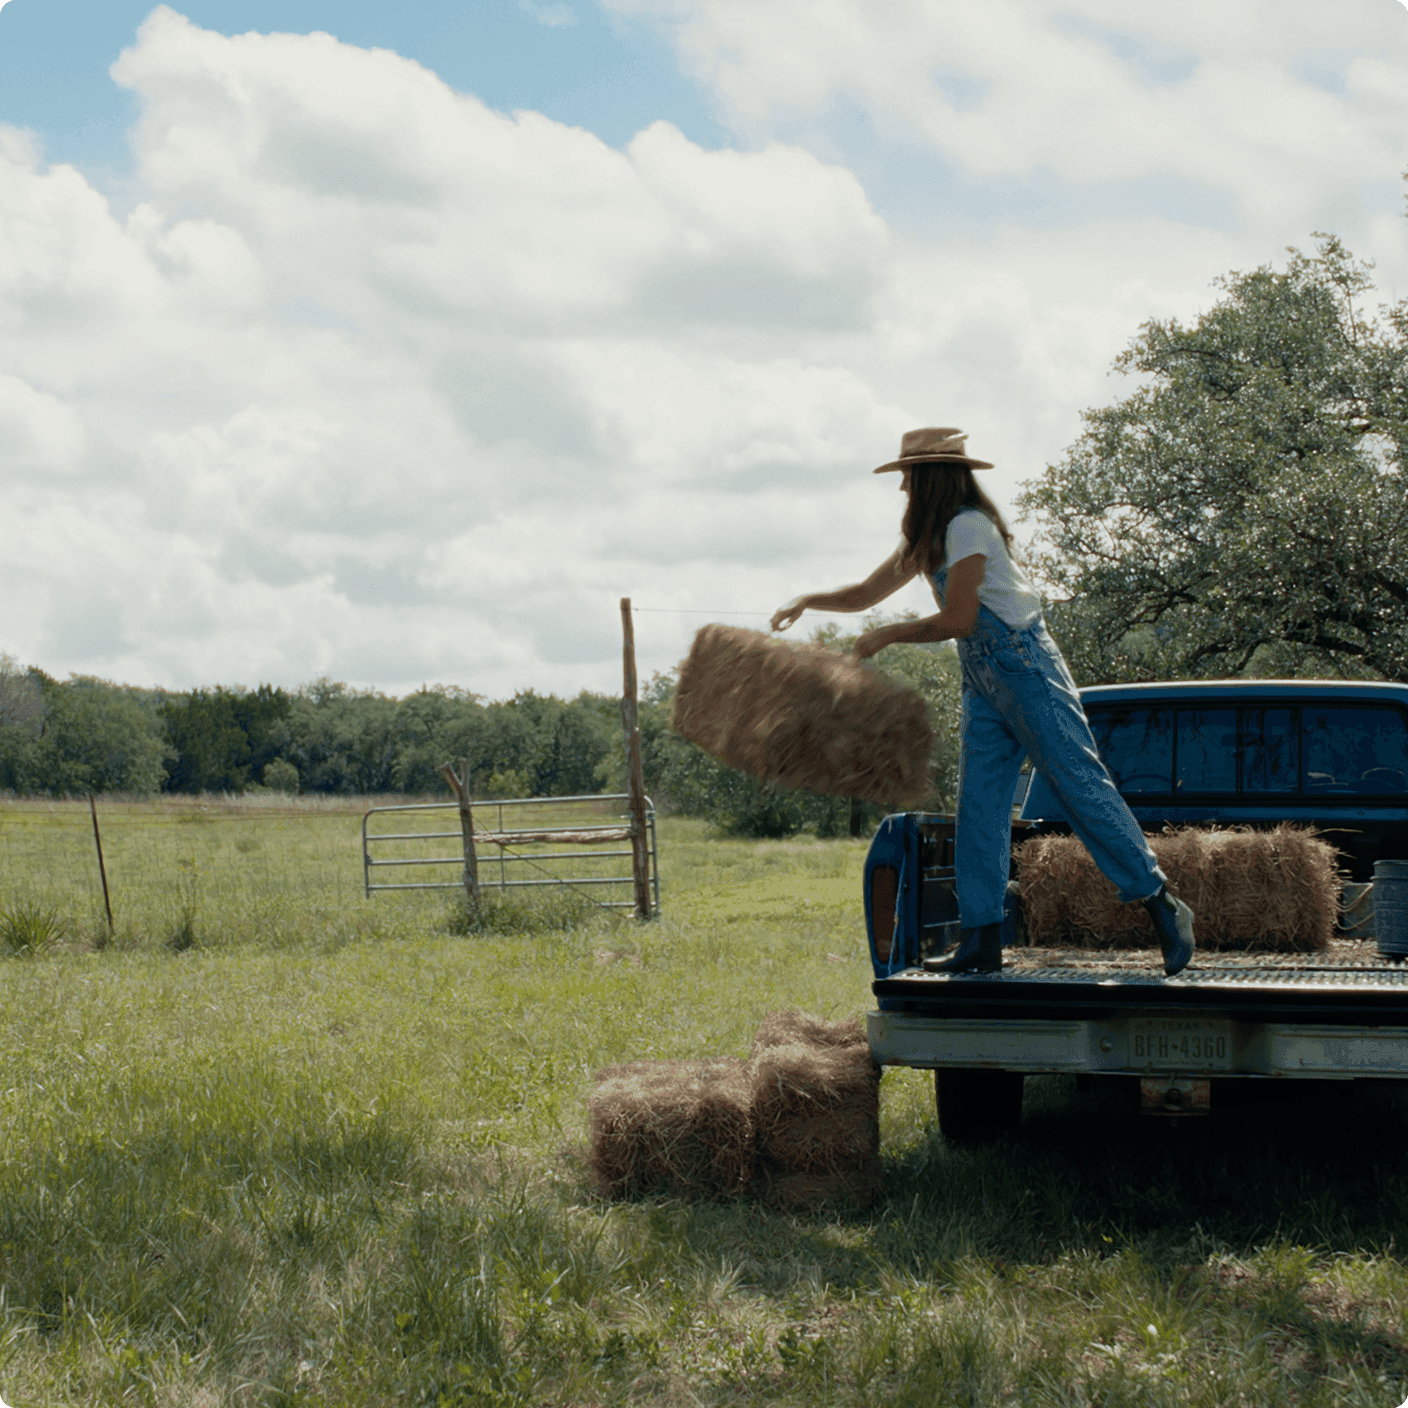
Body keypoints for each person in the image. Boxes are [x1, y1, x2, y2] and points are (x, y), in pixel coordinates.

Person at [770, 427, 1195, 977]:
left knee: (1078, 785)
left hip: (1027, 668)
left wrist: (887, 635)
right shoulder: (927, 539)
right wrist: (807, 600)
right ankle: (982, 939)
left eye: (907, 476)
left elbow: (959, 619)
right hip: (984, 678)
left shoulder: (968, 526)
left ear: (930, 478)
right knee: (980, 807)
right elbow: (865, 594)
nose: (901, 487)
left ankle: (1162, 902)